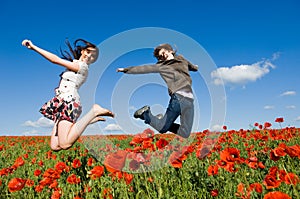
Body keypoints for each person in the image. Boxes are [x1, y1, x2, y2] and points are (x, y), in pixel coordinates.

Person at [22, 38, 114, 151]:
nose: (90, 56)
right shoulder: (75, 64)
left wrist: (34, 47)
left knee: (65, 144)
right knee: (55, 146)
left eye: (93, 56)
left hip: (69, 102)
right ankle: (88, 120)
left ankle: (94, 111)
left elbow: (55, 60)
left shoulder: (82, 67)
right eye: (88, 52)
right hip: (61, 102)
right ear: (82, 51)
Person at [117, 43, 198, 138]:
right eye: (160, 56)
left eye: (163, 53)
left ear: (170, 51)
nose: (162, 56)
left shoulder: (181, 59)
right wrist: (125, 69)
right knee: (162, 128)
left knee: (185, 133)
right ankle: (145, 113)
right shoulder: (162, 66)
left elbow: (192, 67)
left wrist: (195, 67)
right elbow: (144, 69)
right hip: (178, 98)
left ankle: (158, 121)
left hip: (190, 100)